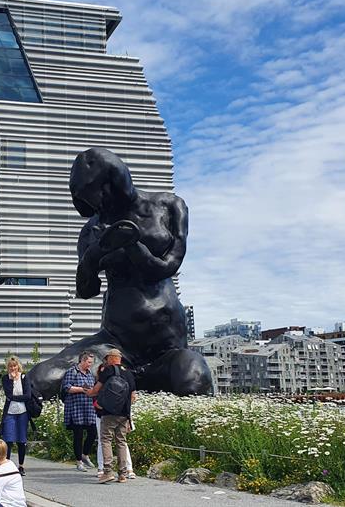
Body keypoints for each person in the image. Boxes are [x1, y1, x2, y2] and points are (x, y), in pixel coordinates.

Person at [28, 148, 212, 399]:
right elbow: (86, 290)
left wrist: (132, 245)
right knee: (40, 380)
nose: (97, 205)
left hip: (166, 347)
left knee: (192, 379)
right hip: (114, 345)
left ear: (115, 182)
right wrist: (93, 256)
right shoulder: (91, 230)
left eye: (99, 196)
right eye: (89, 201)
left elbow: (168, 266)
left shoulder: (169, 206)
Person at [85, 348, 136, 484]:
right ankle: (123, 474)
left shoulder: (107, 371)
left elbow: (95, 390)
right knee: (121, 442)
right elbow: (133, 396)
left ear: (111, 358)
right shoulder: (128, 373)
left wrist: (88, 392)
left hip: (108, 413)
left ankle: (107, 472)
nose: (106, 361)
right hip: (123, 414)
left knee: (106, 440)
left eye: (107, 358)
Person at [61, 351, 97, 472]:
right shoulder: (72, 372)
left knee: (93, 432)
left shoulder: (90, 373)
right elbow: (67, 387)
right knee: (78, 435)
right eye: (89, 362)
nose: (90, 365)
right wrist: (82, 389)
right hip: (76, 408)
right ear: (82, 360)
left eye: (91, 363)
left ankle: (85, 454)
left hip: (88, 408)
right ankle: (79, 461)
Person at [0, 356, 30, 476]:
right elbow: (9, 394)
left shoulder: (24, 377)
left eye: (15, 366)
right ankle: (6, 465)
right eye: (10, 366)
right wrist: (12, 380)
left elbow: (27, 396)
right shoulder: (5, 378)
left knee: (21, 440)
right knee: (8, 439)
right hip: (10, 412)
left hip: (22, 412)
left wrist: (14, 398)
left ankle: (21, 466)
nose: (13, 368)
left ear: (18, 366)